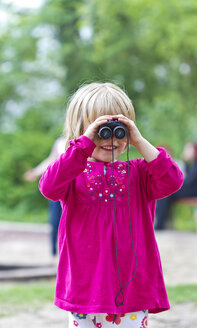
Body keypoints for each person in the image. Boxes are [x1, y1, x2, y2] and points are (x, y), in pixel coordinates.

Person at [39, 82, 183, 327]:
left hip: (132, 285)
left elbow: (172, 181)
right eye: (100, 130)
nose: (110, 137)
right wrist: (83, 144)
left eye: (120, 129)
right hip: (85, 287)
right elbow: (48, 187)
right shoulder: (72, 171)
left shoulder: (139, 172)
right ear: (81, 131)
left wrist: (138, 140)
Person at [155, 142, 197, 230]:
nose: (186, 152)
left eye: (188, 150)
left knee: (167, 192)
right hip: (195, 190)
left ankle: (159, 225)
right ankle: (160, 223)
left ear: (195, 150)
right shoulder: (196, 164)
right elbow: (188, 179)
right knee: (166, 191)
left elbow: (188, 181)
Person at [24, 137, 65, 257]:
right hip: (59, 188)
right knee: (54, 221)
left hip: (76, 188)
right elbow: (51, 160)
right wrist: (36, 172)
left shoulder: (82, 140)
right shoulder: (60, 142)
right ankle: (54, 253)